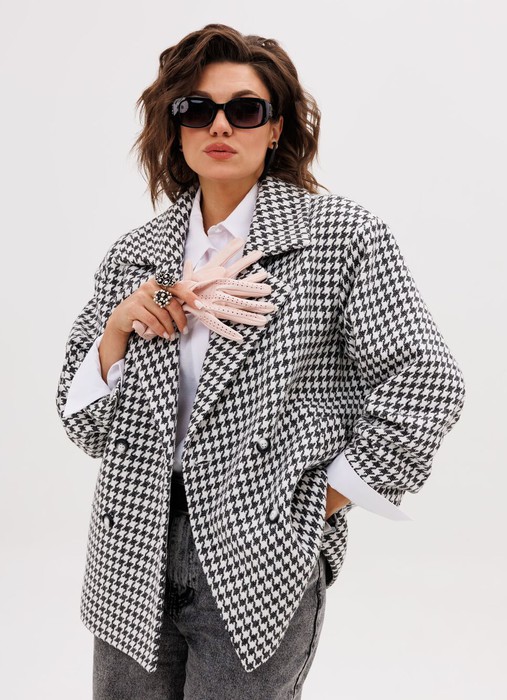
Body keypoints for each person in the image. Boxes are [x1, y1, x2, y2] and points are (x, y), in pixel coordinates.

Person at [56, 23, 466, 700]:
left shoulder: (341, 238)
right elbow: (88, 429)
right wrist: (117, 330)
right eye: (197, 109)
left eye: (244, 109)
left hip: (259, 556)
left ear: (275, 128)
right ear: (175, 128)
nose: (219, 125)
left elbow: (425, 382)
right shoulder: (135, 255)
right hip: (129, 556)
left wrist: (314, 503)